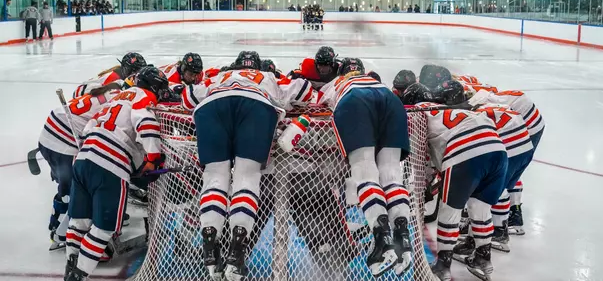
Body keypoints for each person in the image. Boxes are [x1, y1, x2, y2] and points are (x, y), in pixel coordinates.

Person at [182, 51, 313, 281]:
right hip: (256, 106)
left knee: (214, 177)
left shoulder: (219, 76)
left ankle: (210, 240)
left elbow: (187, 97)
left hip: (212, 106)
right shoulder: (269, 76)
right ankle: (237, 249)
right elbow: (305, 89)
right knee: (247, 177)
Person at [63, 66, 169, 281]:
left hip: (83, 158)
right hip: (110, 165)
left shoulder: (118, 96)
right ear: (154, 87)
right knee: (104, 229)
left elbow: (88, 128)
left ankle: (71, 270)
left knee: (79, 222)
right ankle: (78, 275)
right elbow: (147, 125)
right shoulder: (144, 96)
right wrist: (152, 159)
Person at [318, 58, 413, 277]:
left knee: (365, 172)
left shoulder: (337, 82)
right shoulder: (375, 81)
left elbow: (316, 104)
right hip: (391, 102)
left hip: (354, 101)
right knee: (391, 174)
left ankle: (382, 240)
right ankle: (402, 236)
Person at [403, 82, 507, 281]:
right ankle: (483, 259)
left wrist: (423, 184)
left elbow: (420, 156)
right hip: (498, 150)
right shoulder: (449, 108)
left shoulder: (417, 112)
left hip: (465, 151)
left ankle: (443, 264)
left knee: (449, 210)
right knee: (481, 208)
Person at [38, 88, 120, 250]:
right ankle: (61, 232)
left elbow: (81, 92)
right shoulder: (123, 102)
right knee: (76, 189)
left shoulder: (115, 89)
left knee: (69, 187)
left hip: (49, 135)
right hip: (62, 143)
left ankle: (59, 225)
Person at [466, 86, 545, 235]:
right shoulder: (482, 92)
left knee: (498, 179)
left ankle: (499, 228)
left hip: (525, 127)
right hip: (530, 123)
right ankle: (514, 213)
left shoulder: (475, 103)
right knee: (510, 171)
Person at [73, 52, 147, 98]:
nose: (139, 73)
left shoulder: (121, 76)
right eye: (136, 70)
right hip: (80, 95)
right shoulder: (115, 77)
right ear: (127, 69)